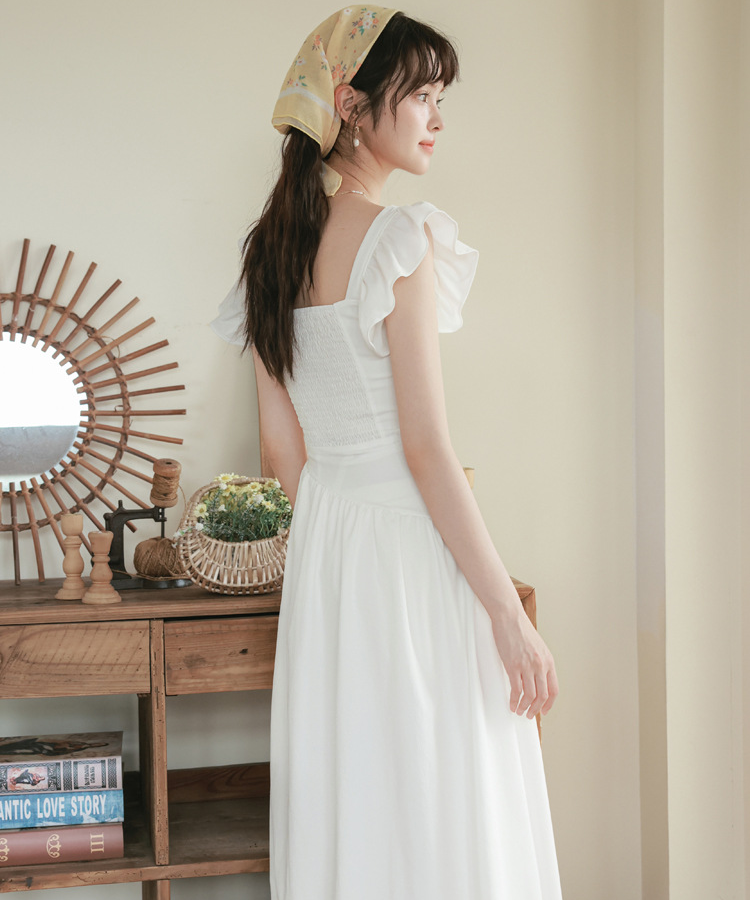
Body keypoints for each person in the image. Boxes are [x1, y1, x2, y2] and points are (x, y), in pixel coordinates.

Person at [211, 7, 563, 898]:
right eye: (422, 97)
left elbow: (282, 454)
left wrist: (336, 536)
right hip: (410, 546)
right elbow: (427, 448)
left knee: (359, 785)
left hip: (331, 553)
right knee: (448, 792)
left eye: (441, 99)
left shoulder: (267, 259)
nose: (437, 119)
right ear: (352, 106)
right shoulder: (399, 240)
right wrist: (509, 615)